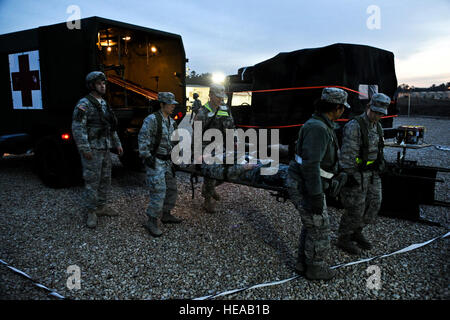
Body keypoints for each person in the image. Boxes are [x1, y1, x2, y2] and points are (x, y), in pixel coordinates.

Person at [286, 87, 350, 280]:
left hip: (307, 182)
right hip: (305, 184)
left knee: (312, 226)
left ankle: (302, 263)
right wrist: (314, 195)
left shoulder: (322, 124)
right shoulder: (318, 128)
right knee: (320, 227)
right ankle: (315, 268)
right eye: (342, 108)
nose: (343, 112)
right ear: (337, 107)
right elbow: (311, 165)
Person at [336, 93, 390, 255]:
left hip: (372, 174)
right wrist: (348, 176)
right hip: (356, 174)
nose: (378, 116)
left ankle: (357, 231)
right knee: (355, 208)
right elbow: (347, 155)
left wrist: (381, 163)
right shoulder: (355, 126)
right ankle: (344, 238)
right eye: (376, 112)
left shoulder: (378, 126)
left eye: (381, 113)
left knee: (374, 204)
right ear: (368, 107)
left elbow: (378, 148)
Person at [72, 71, 123, 229]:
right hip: (93, 149)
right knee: (92, 181)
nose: (103, 86)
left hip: (105, 148)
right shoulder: (84, 104)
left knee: (105, 179)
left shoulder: (104, 104)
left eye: (104, 83)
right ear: (92, 85)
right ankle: (91, 211)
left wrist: (117, 144)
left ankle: (101, 206)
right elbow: (78, 127)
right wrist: (84, 148)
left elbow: (110, 126)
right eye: (100, 83)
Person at [138, 92, 182, 237]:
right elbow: (142, 139)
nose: (173, 106)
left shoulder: (171, 121)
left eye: (174, 104)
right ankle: (151, 220)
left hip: (167, 161)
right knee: (158, 191)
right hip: (155, 160)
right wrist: (147, 157)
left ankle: (166, 214)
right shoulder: (152, 120)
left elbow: (175, 141)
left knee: (171, 188)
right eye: (170, 104)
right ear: (162, 104)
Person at [194, 84, 234, 213]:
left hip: (221, 146)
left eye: (222, 97)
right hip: (206, 147)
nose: (220, 100)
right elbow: (197, 134)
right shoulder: (202, 112)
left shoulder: (225, 109)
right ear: (210, 95)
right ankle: (207, 200)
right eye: (217, 97)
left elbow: (230, 127)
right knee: (211, 171)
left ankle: (208, 187)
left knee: (229, 170)